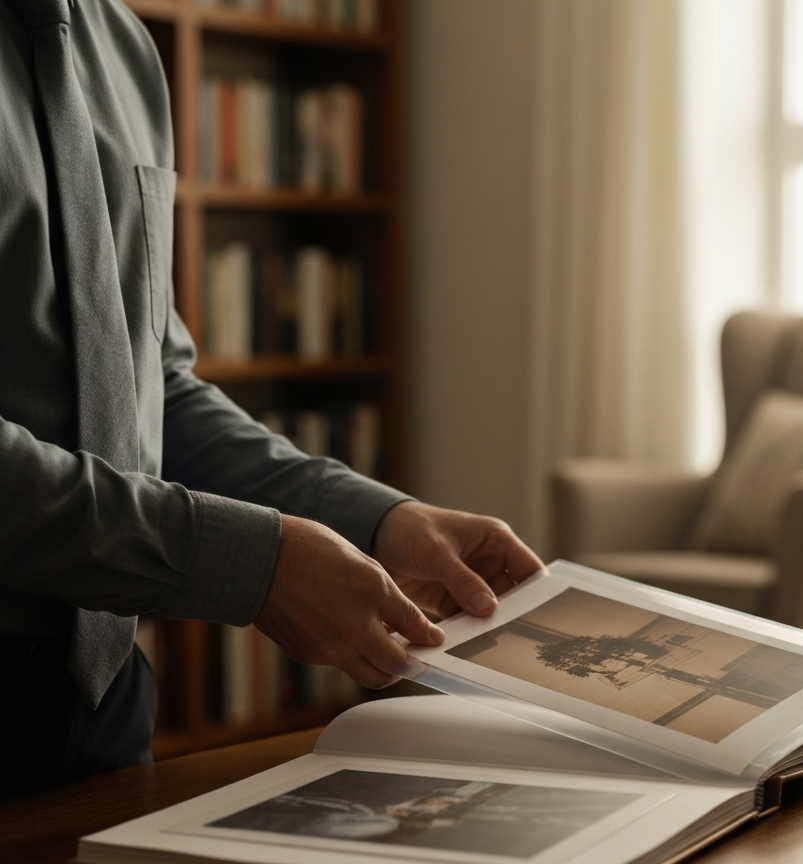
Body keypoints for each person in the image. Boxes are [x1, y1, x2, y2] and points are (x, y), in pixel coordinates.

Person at [0, 0, 543, 797]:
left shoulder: (125, 50)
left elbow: (154, 392)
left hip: (105, 705)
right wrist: (247, 564)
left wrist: (377, 520)